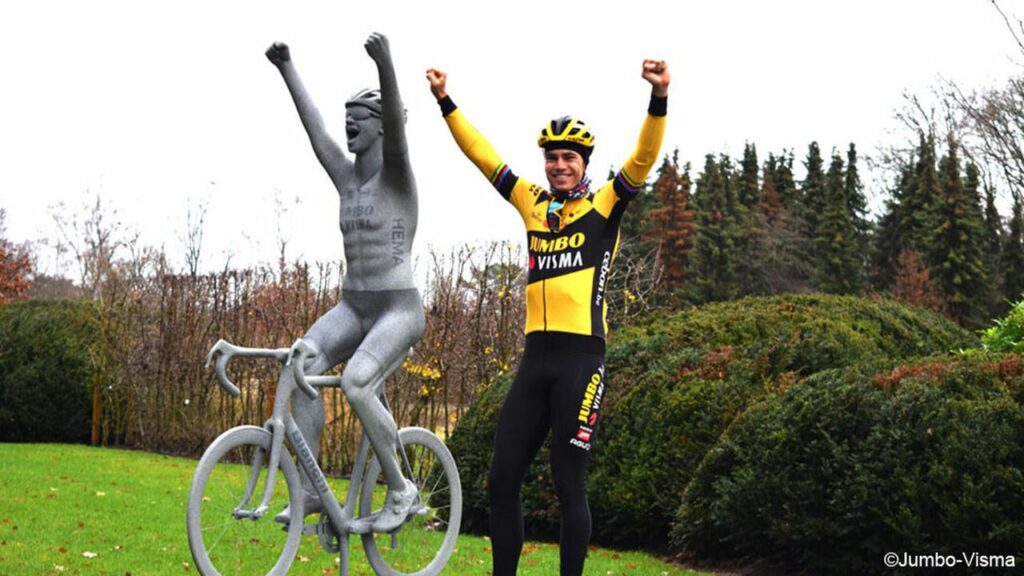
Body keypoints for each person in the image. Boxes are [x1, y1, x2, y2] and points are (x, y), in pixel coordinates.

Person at [426, 59, 669, 575]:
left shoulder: (605, 203)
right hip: (534, 360)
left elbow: (644, 157)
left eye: (568, 158)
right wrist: (446, 101)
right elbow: (481, 154)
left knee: (567, 483)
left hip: (581, 361)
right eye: (552, 158)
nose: (559, 166)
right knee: (501, 480)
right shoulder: (532, 203)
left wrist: (659, 97)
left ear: (584, 163)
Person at [265, 32, 424, 533]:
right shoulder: (347, 179)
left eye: (359, 118)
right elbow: (316, 134)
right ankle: (313, 488)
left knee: (356, 383)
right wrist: (287, 68)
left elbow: (397, 128)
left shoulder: (396, 177)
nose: (348, 125)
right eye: (347, 118)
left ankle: (401, 488)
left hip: (397, 309)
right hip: (354, 306)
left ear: (382, 127)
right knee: (301, 366)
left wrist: (385, 63)